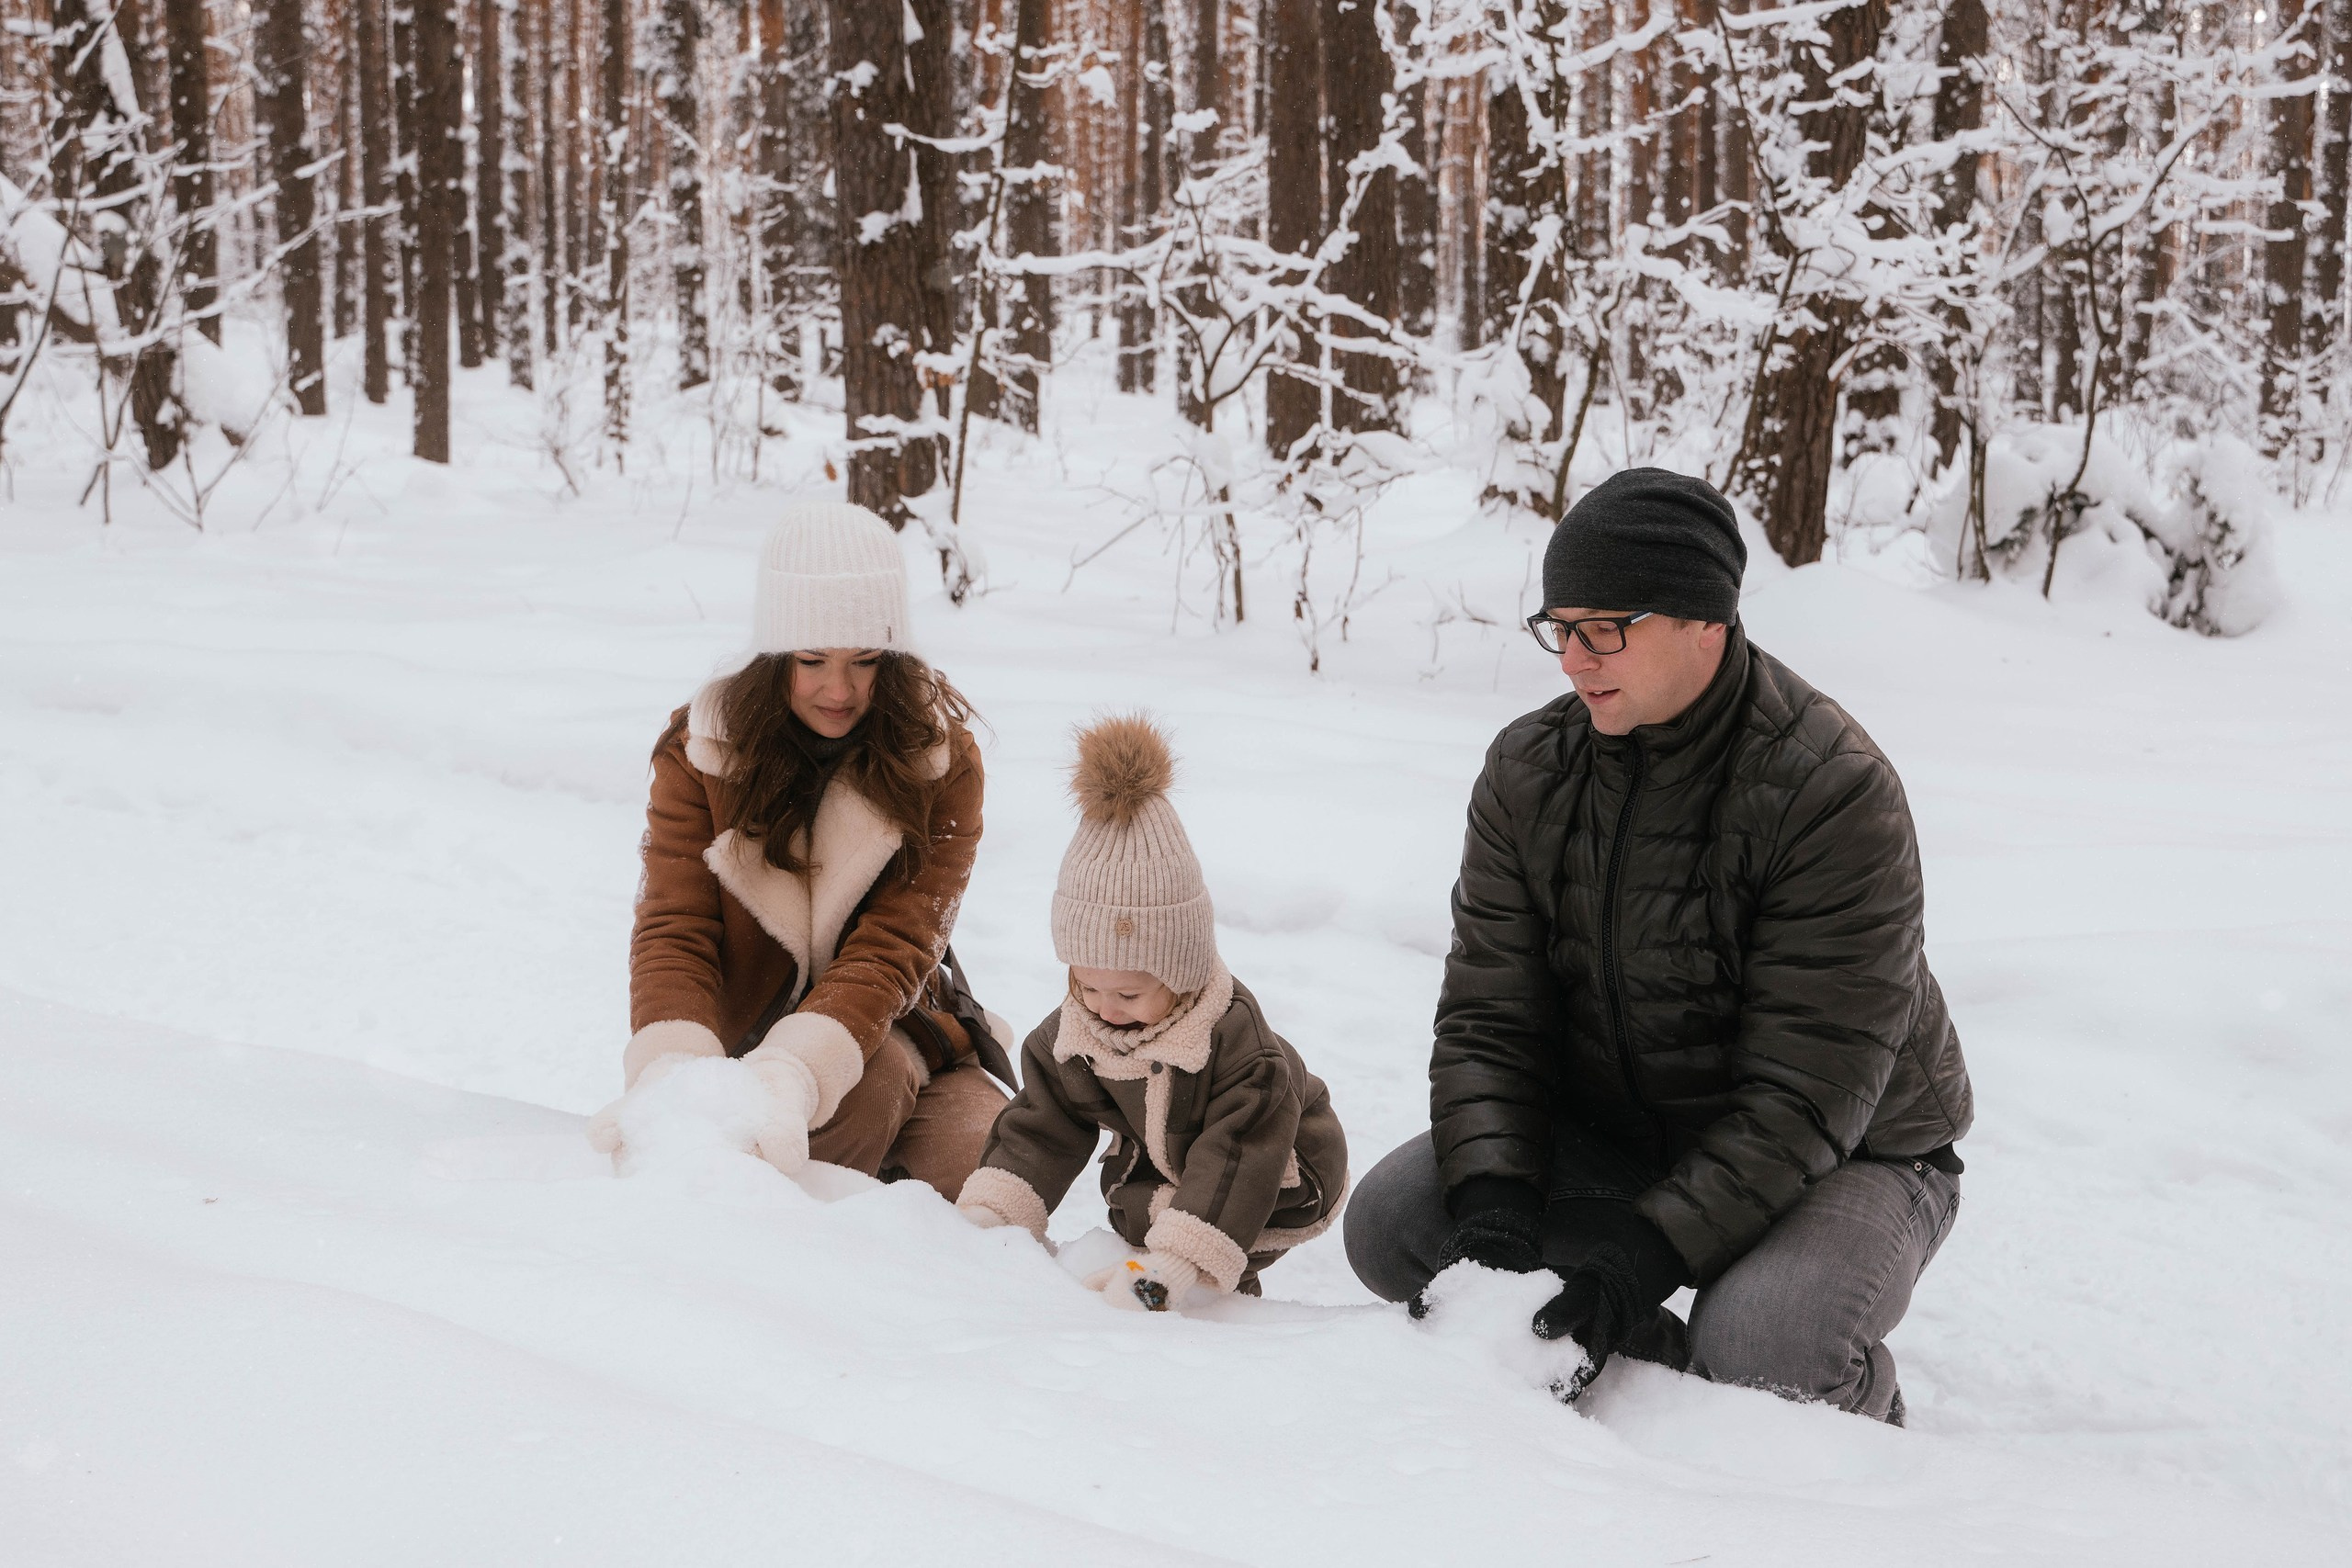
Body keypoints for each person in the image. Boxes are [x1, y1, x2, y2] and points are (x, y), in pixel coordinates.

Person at [1344, 468, 1973, 1423]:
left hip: (1852, 1148)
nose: (1574, 658)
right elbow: (1491, 1020)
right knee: (1395, 1228)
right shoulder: (1527, 770)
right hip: (1625, 1129)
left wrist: (1637, 1256)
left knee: (1766, 1347)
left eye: (1605, 627)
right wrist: (1497, 1206)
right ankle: (1663, 1380)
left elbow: (1808, 1091)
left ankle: (1858, 1432)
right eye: (1560, 626)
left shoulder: (1829, 791)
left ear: (1703, 619)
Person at [589, 501, 1014, 1195]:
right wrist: (674, 1078)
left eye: (866, 660)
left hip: (894, 1020)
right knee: (813, 1133)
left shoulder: (943, 760)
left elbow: (897, 946)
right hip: (744, 1043)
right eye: (812, 660)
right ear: (775, 654)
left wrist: (796, 1068)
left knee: (994, 1172)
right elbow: (676, 926)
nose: (839, 689)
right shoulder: (701, 751)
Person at [956, 716, 1347, 1309]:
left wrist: (1177, 1259)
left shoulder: (1239, 1047)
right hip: (1176, 1155)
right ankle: (1175, 1256)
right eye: (1087, 985)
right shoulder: (1075, 1033)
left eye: (1129, 995)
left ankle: (1222, 1305)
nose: (1105, 1008)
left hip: (1284, 1164)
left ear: (1182, 973)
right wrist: (997, 1209)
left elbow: (1237, 1153)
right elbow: (1043, 1124)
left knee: (1180, 1222)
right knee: (1133, 1204)